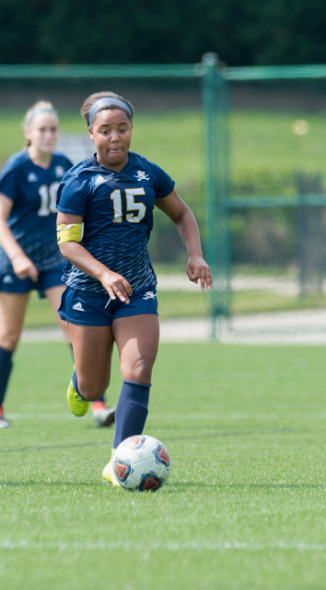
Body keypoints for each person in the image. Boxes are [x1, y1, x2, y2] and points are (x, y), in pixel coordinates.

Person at [56, 91, 212, 485]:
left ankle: (118, 460)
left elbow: (182, 213)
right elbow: (67, 243)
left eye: (121, 129)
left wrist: (195, 254)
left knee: (139, 369)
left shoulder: (148, 174)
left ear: (131, 130)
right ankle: (79, 380)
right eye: (105, 130)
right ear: (90, 133)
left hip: (137, 290)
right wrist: (104, 274)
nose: (114, 138)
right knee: (95, 387)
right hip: (90, 293)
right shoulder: (79, 181)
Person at [0, 101, 114, 429]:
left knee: (74, 328)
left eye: (53, 129)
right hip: (16, 260)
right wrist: (17, 257)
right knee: (9, 336)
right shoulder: (16, 168)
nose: (48, 135)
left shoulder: (63, 166)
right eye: (41, 129)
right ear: (28, 133)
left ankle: (96, 401)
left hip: (55, 261)